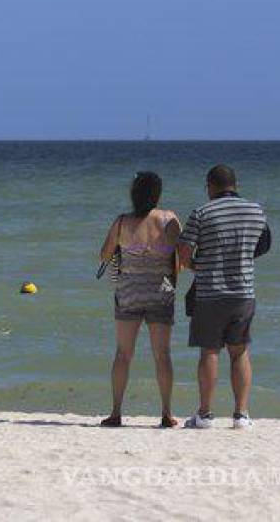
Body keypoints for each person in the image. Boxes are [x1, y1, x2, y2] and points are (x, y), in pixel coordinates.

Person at [178, 165, 271, 430]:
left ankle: (205, 415)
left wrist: (200, 265)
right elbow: (262, 247)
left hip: (209, 293)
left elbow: (183, 255)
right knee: (240, 352)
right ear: (236, 184)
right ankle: (241, 415)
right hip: (244, 292)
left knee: (209, 352)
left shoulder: (201, 212)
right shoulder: (256, 211)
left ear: (209, 186)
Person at [97, 172, 181, 428]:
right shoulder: (169, 220)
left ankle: (116, 412)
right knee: (162, 355)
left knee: (123, 354)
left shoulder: (122, 222)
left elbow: (104, 255)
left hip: (128, 292)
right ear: (158, 194)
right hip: (161, 293)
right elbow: (179, 261)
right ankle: (166, 413)